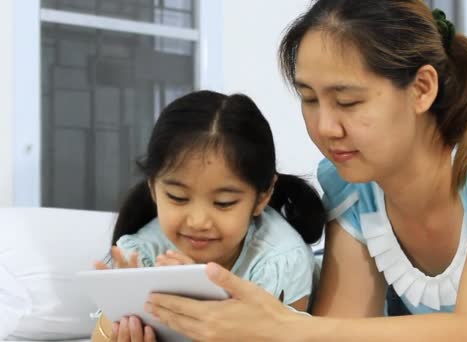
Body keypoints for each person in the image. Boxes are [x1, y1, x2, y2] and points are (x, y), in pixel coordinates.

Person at [148, 1, 467, 341]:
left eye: (348, 101)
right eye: (309, 99)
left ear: (421, 88)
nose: (326, 127)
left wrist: (287, 328)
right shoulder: (355, 189)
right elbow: (341, 329)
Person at [90, 90, 326, 341]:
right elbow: (101, 335)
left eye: (223, 203)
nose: (198, 222)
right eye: (178, 198)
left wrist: (203, 293)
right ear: (153, 189)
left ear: (262, 197)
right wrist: (121, 304)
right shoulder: (141, 254)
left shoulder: (281, 261)